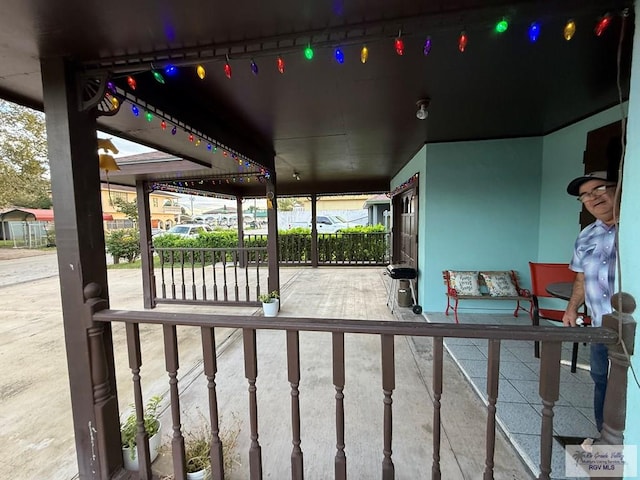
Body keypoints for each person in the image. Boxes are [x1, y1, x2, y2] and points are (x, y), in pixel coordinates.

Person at [563, 170, 618, 433]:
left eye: (598, 190)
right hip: (600, 329)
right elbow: (582, 279)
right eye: (585, 196)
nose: (592, 198)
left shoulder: (633, 226)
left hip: (631, 330)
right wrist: (572, 308)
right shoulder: (586, 236)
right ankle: (606, 447)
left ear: (617, 188)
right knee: (601, 382)